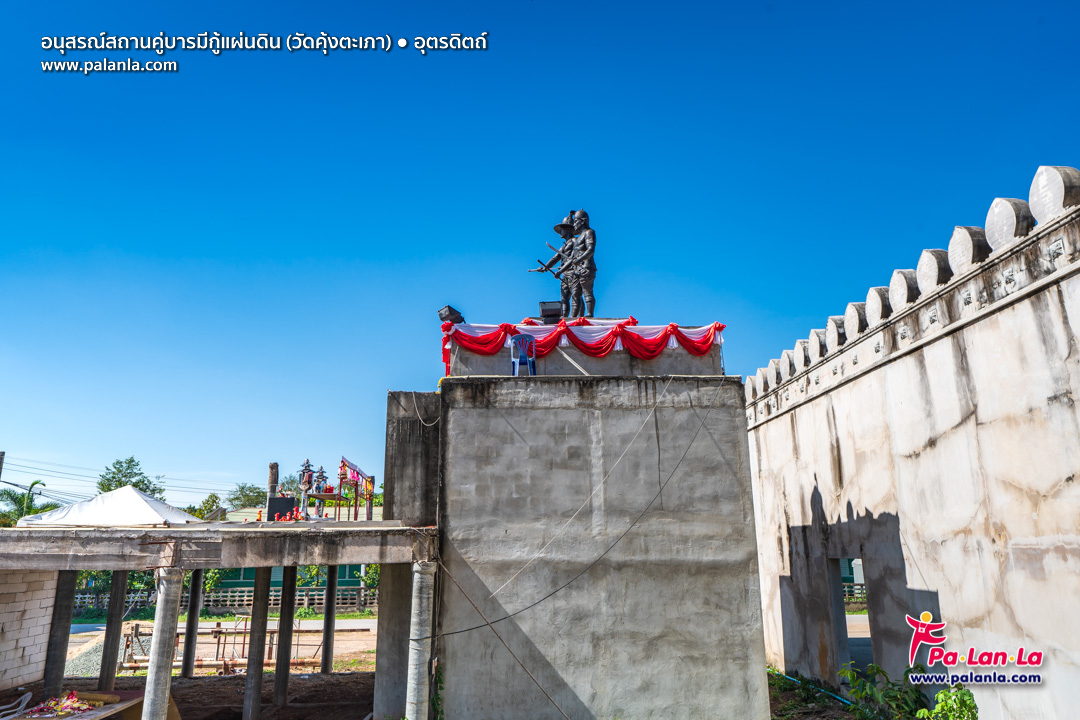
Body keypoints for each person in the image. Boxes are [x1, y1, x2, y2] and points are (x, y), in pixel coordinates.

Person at [531, 215, 578, 317]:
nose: (561, 231)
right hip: (565, 274)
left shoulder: (575, 241)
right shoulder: (563, 246)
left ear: (569, 229)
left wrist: (560, 271)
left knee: (575, 297)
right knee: (564, 298)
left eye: (563, 229)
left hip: (573, 273)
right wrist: (545, 268)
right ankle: (564, 319)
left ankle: (574, 319)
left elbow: (574, 258)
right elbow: (555, 258)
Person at [568, 209, 597, 317]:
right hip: (577, 270)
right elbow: (572, 258)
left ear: (582, 221)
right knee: (575, 294)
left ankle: (589, 314)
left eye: (576, 221)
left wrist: (579, 260)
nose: (574, 224)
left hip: (586, 267)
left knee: (587, 292)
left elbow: (591, 250)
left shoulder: (589, 232)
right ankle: (574, 317)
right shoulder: (578, 238)